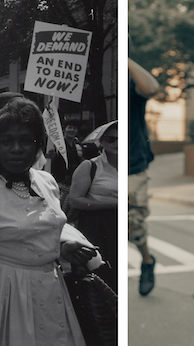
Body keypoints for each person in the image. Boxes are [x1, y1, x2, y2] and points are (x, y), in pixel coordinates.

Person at [0, 98, 92, 346]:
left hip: (52, 290)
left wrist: (62, 250)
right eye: (7, 141)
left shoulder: (47, 181)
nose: (16, 148)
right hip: (6, 296)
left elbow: (39, 232)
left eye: (25, 141)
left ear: (37, 145)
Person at [67, 120, 118, 292]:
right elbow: (75, 199)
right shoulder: (90, 166)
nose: (117, 143)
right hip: (97, 226)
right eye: (111, 139)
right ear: (101, 142)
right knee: (101, 275)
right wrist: (112, 203)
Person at [128, 58, 159, 296]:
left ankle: (147, 261)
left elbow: (151, 89)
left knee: (133, 223)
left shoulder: (132, 80)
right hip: (108, 162)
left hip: (133, 165)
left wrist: (127, 59)